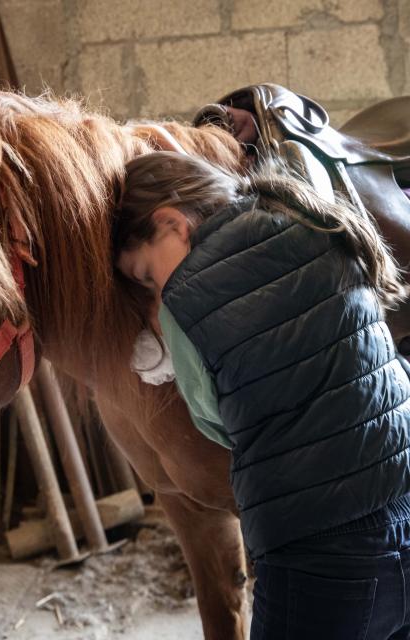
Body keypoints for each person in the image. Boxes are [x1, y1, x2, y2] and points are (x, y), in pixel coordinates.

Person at [112, 150, 410, 639]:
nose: (155, 292)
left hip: (319, 552)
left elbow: (215, 421)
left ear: (171, 223)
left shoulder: (184, 301)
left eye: (147, 275)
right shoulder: (310, 217)